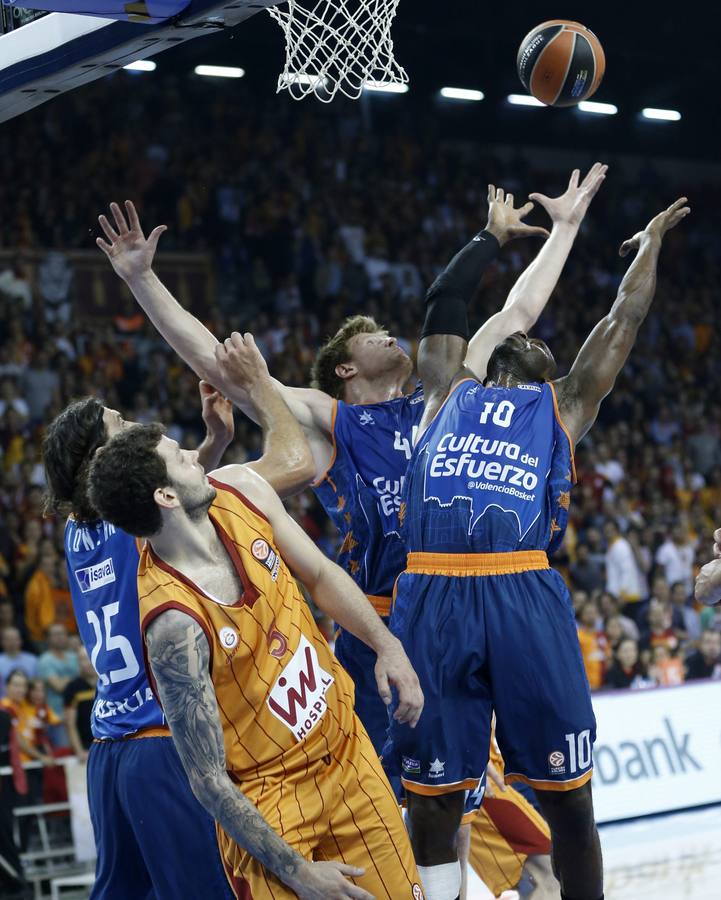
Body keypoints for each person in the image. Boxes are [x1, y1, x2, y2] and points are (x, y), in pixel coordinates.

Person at [93, 166, 606, 898]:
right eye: (373, 336)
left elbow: (516, 308)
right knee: (420, 810)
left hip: (466, 614)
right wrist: (144, 281)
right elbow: (218, 363)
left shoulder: (449, 386)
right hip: (384, 625)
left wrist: (562, 229)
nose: (393, 333)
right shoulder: (336, 423)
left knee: (489, 815)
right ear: (344, 367)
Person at [383, 193, 689, 900]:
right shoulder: (442, 390)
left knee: (568, 797)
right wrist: (490, 237)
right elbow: (442, 301)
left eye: (543, 344)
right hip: (431, 590)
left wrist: (648, 246)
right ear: (492, 356)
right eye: (522, 337)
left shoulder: (563, 403)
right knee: (431, 794)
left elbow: (623, 318)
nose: (532, 339)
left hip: (520, 590)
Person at [87, 417, 425, 900]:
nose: (195, 458)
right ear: (166, 496)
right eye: (181, 457)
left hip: (346, 753)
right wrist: (299, 873)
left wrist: (386, 645)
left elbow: (321, 575)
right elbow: (207, 780)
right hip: (271, 799)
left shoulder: (241, 490)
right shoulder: (173, 624)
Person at [43, 367, 312, 898]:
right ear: (102, 462)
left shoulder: (79, 531)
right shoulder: (131, 519)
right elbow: (283, 470)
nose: (136, 425)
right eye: (120, 425)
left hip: (109, 752)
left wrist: (213, 443)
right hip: (160, 742)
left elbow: (168, 496)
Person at [36, 624, 78, 746]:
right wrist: (76, 680)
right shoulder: (45, 660)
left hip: (78, 713)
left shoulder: (74, 656)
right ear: (48, 639)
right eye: (55, 634)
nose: (60, 637)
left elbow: (87, 679)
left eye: (62, 634)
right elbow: (59, 687)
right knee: (65, 753)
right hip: (57, 716)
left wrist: (65, 679)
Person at [63, 646, 97, 762]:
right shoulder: (72, 688)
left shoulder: (109, 682)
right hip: (87, 747)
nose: (86, 663)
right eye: (82, 659)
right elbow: (70, 724)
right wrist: (79, 751)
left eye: (88, 658)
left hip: (112, 742)